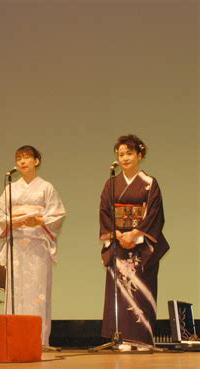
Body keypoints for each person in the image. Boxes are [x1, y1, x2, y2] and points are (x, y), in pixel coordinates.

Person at [99, 134, 169, 351]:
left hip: (141, 246)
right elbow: (104, 212)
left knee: (141, 289)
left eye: (129, 153)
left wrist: (136, 233)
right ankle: (123, 338)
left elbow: (155, 213)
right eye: (121, 154)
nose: (125, 158)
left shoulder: (150, 184)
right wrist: (117, 234)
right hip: (119, 242)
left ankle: (142, 338)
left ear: (140, 155)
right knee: (120, 290)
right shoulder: (111, 184)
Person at [0, 145, 66, 348]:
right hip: (16, 245)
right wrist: (11, 220)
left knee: (37, 292)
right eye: (19, 158)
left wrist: (40, 221)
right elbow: (0, 212)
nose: (22, 162)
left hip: (37, 245)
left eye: (27, 158)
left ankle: (38, 340)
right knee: (15, 291)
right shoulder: (10, 188)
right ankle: (13, 339)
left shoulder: (46, 187)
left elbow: (58, 213)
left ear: (37, 161)